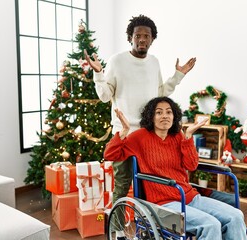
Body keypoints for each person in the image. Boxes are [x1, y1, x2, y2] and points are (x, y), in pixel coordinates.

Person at [84, 15, 196, 239]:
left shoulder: (153, 62)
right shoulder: (117, 61)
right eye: (138, 36)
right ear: (130, 38)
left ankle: (152, 229)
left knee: (151, 185)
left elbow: (160, 94)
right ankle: (116, 232)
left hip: (150, 134)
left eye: (146, 36)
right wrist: (98, 73)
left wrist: (178, 75)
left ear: (152, 39)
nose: (142, 40)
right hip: (126, 134)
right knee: (123, 183)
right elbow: (106, 96)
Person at [104, 96, 247, 240]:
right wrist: (124, 131)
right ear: (151, 117)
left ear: (174, 116)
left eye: (169, 112)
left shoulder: (178, 136)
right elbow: (110, 154)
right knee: (210, 225)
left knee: (235, 216)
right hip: (163, 203)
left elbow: (191, 165)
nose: (165, 116)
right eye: (159, 112)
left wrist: (188, 137)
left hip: (189, 196)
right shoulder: (139, 137)